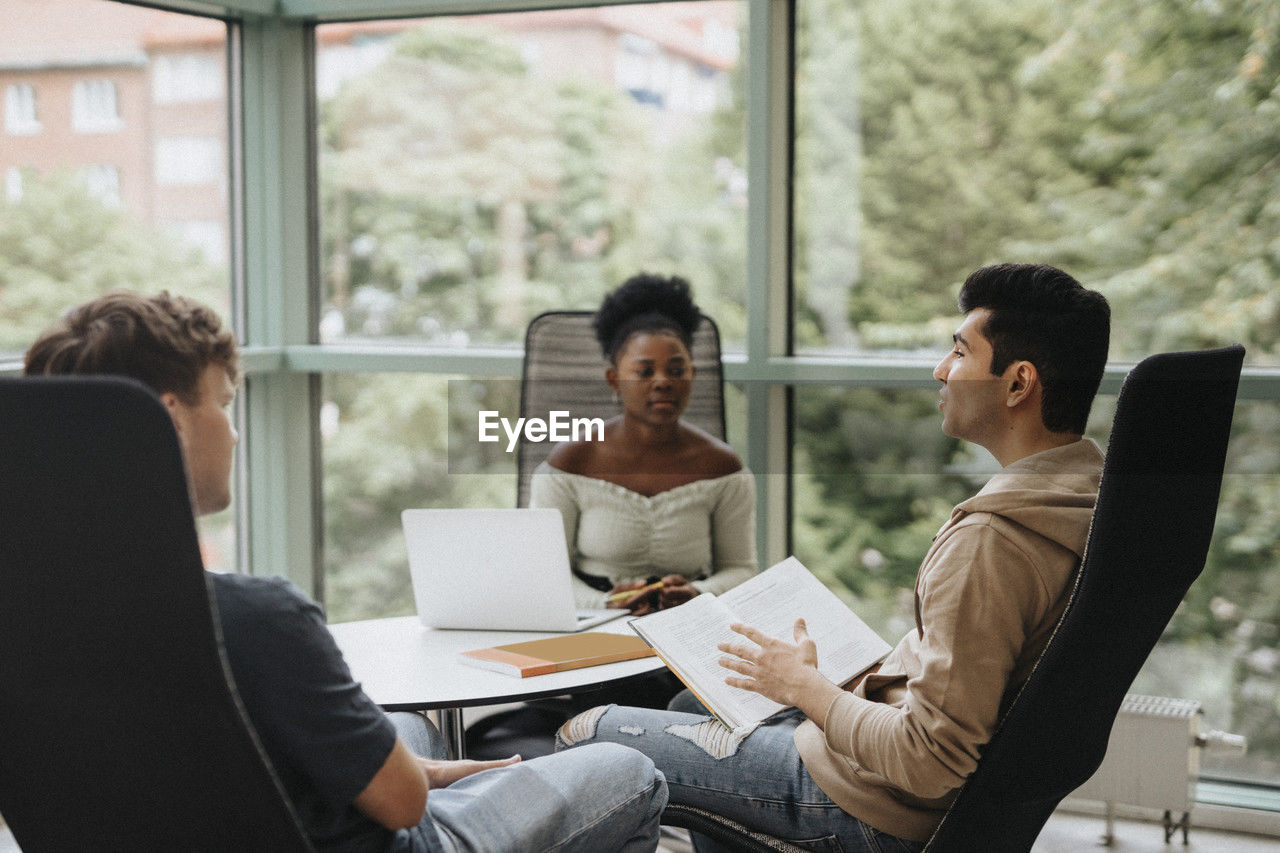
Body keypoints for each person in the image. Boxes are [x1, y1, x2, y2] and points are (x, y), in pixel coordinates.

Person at [24, 290, 668, 853]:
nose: (237, 434)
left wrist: (412, 771)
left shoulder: (31, 617)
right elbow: (403, 808)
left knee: (410, 730)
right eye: (224, 405)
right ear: (168, 419)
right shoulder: (256, 616)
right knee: (626, 771)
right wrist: (417, 781)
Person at [555, 263, 1111, 851]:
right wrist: (829, 684)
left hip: (871, 806)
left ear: (1018, 384)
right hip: (916, 785)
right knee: (699, 700)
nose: (940, 370)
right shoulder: (1086, 501)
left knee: (585, 735)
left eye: (959, 353)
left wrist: (808, 690)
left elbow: (931, 760)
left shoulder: (991, 543)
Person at [530, 273, 757, 617]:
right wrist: (606, 604)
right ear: (614, 380)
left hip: (690, 624)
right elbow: (542, 574)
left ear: (692, 376)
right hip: (592, 624)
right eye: (644, 371)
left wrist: (698, 592)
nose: (663, 382)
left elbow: (742, 569)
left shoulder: (723, 467)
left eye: (677, 370)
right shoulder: (570, 462)